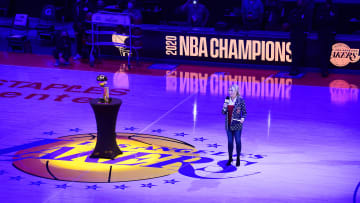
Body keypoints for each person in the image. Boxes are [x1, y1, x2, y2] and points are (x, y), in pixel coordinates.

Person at [222, 84, 247, 167]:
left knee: (238, 141)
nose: (230, 92)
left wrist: (243, 118)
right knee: (230, 142)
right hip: (228, 125)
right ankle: (230, 158)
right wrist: (224, 107)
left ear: (236, 91)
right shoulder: (227, 99)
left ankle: (238, 158)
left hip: (237, 125)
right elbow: (223, 112)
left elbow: (245, 112)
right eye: (229, 90)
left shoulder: (240, 100)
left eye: (231, 90)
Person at [316, 0, 336, 77]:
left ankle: (326, 68)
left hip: (330, 34)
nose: (327, 5)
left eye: (329, 4)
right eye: (326, 4)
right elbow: (318, 21)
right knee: (322, 52)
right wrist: (329, 18)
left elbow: (335, 20)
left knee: (328, 52)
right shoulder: (320, 9)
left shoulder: (334, 9)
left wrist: (325, 18)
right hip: (322, 34)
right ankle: (324, 70)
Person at [287, 0, 307, 76]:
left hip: (301, 35)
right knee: (294, 52)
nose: (299, 2)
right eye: (298, 1)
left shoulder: (305, 12)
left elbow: (304, 23)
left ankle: (297, 68)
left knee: (299, 52)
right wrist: (298, 21)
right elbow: (290, 21)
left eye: (301, 1)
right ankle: (293, 68)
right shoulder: (293, 11)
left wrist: (297, 21)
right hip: (294, 34)